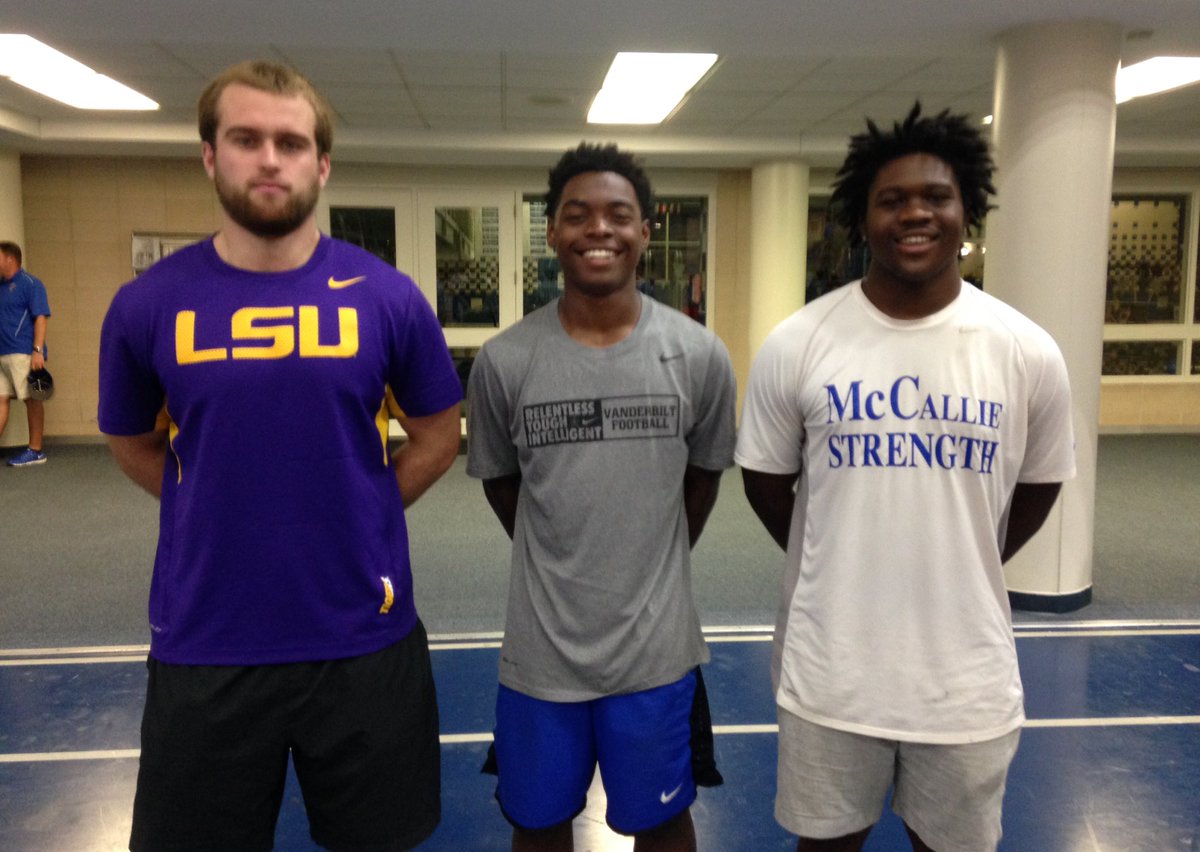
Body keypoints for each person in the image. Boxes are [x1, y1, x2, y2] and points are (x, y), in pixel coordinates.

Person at [98, 60, 463, 851]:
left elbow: (440, 437)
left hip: (363, 637)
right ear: (209, 155)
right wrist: (213, 500)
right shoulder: (147, 305)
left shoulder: (388, 299)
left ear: (322, 165)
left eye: (291, 143)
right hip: (207, 643)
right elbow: (130, 442)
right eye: (246, 139)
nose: (270, 159)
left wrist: (358, 503)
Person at [736, 103, 1076, 852]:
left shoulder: (1026, 351)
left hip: (965, 683)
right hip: (830, 674)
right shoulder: (799, 342)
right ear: (863, 218)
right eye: (892, 200)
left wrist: (969, 554)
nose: (916, 213)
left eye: (936, 197)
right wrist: (830, 550)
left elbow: (1042, 483)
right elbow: (764, 480)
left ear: (967, 211)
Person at [466, 143, 737, 852]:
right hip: (540, 657)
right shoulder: (504, 361)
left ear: (645, 230)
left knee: (663, 824)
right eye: (577, 214)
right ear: (552, 231)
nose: (598, 229)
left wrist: (647, 551)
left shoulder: (700, 355)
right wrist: (563, 549)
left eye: (618, 214)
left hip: (655, 657)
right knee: (537, 824)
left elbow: (702, 479)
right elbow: (504, 485)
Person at [0, 240, 51, 466]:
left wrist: (37, 351)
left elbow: (41, 317)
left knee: (32, 399)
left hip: (23, 351)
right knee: (1, 400)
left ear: (10, 258)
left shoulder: (31, 284)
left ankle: (35, 450)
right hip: (1, 353)